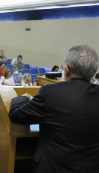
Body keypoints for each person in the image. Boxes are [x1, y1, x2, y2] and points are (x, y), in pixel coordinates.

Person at [9, 45, 99, 173]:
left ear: (67, 69)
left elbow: (16, 115)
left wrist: (24, 98)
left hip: (53, 167)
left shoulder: (50, 92)